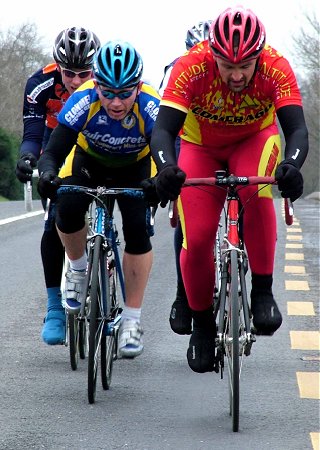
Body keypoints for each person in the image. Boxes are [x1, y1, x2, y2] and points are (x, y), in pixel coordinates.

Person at [149, 6, 308, 373]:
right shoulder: (190, 66)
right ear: (213, 55)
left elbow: (296, 130)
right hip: (200, 146)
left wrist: (292, 167)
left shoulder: (276, 66)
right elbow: (163, 132)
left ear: (258, 57)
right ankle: (203, 327)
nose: (236, 75)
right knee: (200, 236)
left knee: (256, 193)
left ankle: (263, 291)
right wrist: (167, 168)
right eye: (227, 66)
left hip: (254, 139)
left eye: (245, 66)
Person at [37, 40, 161, 358]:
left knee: (136, 228)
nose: (116, 102)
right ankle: (78, 269)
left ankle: (131, 321)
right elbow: (55, 148)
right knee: (67, 208)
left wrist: (163, 180)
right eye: (108, 92)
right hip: (89, 163)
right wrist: (48, 173)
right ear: (97, 86)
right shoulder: (84, 98)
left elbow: (167, 153)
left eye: (124, 93)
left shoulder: (150, 104)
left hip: (135, 167)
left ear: (138, 86)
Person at [15, 27, 101, 345]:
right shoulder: (39, 85)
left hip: (97, 142)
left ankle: (106, 296)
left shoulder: (109, 86)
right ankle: (55, 308)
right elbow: (34, 133)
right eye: (69, 73)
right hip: (58, 143)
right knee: (53, 223)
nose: (77, 81)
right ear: (57, 67)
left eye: (84, 73)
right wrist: (27, 158)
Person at [159, 20, 213, 336]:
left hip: (227, 136)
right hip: (187, 138)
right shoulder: (177, 69)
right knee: (186, 218)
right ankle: (183, 295)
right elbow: (164, 122)